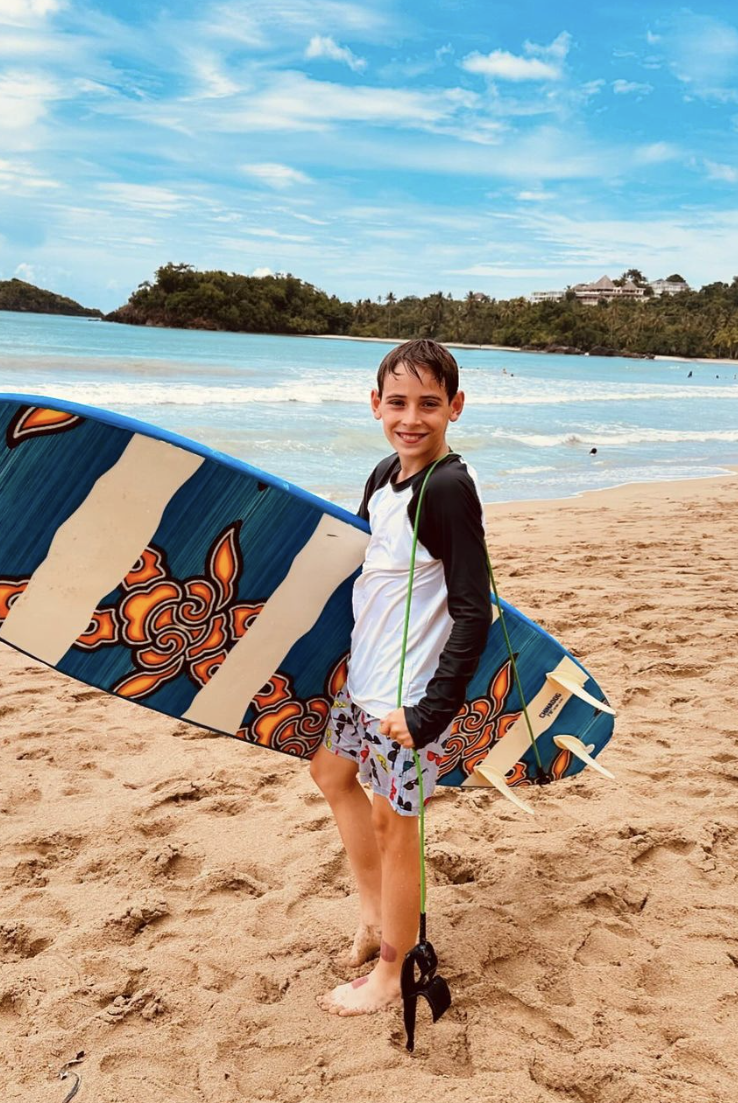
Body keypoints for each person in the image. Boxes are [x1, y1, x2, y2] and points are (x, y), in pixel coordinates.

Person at [311, 338, 492, 1017]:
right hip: (367, 683)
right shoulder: (385, 473)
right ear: (375, 405)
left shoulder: (447, 488)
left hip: (409, 700)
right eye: (397, 402)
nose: (411, 417)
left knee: (397, 828)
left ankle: (393, 973)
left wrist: (428, 713)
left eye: (429, 403)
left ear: (455, 408)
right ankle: (372, 915)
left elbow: (473, 611)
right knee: (330, 775)